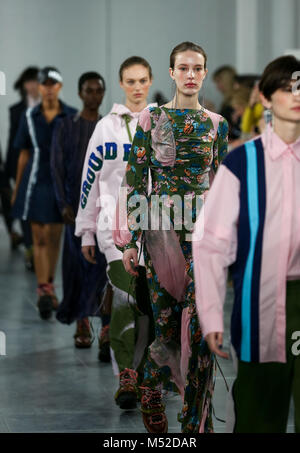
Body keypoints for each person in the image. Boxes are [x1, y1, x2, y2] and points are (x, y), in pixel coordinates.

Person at [116, 42, 228, 433]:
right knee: (165, 328)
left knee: (199, 329)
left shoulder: (216, 124)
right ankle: (150, 387)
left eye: (198, 68)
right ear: (172, 73)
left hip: (204, 238)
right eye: (183, 68)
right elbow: (135, 179)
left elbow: (221, 184)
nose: (191, 75)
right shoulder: (151, 118)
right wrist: (132, 240)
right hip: (161, 236)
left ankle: (196, 421)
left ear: (205, 72)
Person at [193, 55, 300, 433]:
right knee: (259, 412)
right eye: (287, 87)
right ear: (266, 99)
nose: (297, 94)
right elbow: (210, 244)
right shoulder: (242, 163)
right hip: (259, 300)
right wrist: (210, 314)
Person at [75, 57, 155, 410]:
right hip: (115, 230)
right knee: (125, 296)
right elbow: (89, 180)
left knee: (150, 306)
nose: (137, 87)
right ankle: (126, 373)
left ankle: (143, 372)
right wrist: (87, 230)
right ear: (121, 84)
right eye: (130, 81)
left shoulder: (164, 122)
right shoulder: (105, 128)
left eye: (142, 80)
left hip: (158, 229)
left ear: (151, 81)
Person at [11, 67, 77, 320]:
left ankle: (49, 284)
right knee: (38, 236)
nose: (48, 88)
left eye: (53, 83)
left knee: (54, 236)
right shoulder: (29, 116)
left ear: (59, 86)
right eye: (44, 84)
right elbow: (24, 153)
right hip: (35, 181)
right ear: (39, 87)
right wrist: (17, 190)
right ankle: (44, 290)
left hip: (60, 182)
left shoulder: (71, 115)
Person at [51, 72, 108, 354]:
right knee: (76, 268)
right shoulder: (66, 127)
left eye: (99, 91)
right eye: (89, 90)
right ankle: (82, 322)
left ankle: (106, 325)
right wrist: (63, 204)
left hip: (103, 210)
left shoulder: (108, 127)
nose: (94, 96)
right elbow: (57, 167)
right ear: (79, 93)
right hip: (74, 208)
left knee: (102, 268)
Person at [4, 67, 40, 259]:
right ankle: (29, 246)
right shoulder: (16, 111)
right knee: (26, 207)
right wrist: (10, 170)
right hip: (23, 165)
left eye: (36, 81)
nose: (33, 86)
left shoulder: (51, 108)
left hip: (43, 168)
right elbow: (12, 142)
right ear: (24, 85)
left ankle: (36, 246)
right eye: (29, 81)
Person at [213, 65, 239, 141]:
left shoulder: (236, 101)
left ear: (226, 81)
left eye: (218, 82)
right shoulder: (227, 100)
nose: (217, 86)